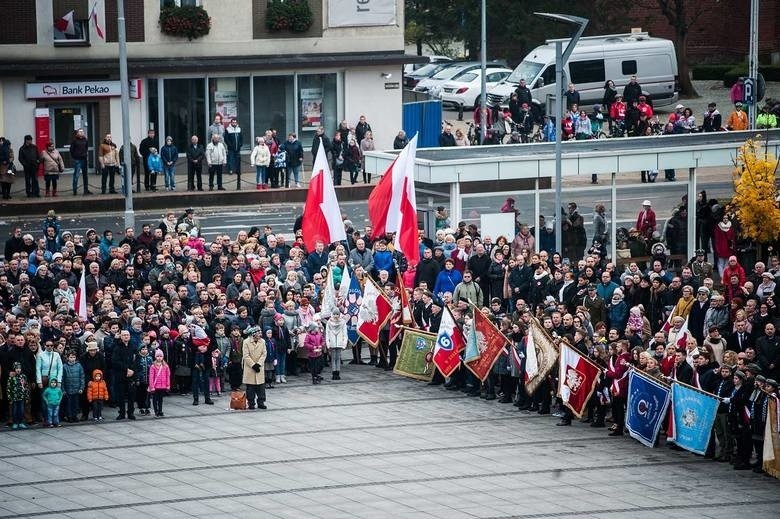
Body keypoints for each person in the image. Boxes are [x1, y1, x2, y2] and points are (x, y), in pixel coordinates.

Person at [242, 326, 268, 409]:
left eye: (260, 332)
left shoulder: (262, 341)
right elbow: (246, 355)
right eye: (258, 332)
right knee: (250, 387)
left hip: (259, 366)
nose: (260, 334)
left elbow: (264, 354)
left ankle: (261, 402)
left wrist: (259, 364)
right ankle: (251, 403)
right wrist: (253, 365)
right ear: (253, 334)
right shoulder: (246, 342)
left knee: (261, 387)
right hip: (250, 367)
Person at [61, 350, 85, 423]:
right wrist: (63, 390)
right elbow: (62, 379)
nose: (72, 359)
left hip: (76, 388)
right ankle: (69, 416)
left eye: (74, 357)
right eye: (71, 357)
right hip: (68, 389)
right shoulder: (64, 366)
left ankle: (75, 416)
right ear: (67, 358)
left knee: (76, 404)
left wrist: (81, 387)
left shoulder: (79, 365)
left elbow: (82, 377)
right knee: (69, 404)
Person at [8, 362, 30, 429]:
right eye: (17, 368)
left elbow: (26, 387)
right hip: (14, 398)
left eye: (19, 368)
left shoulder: (23, 376)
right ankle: (15, 422)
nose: (18, 370)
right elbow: (9, 388)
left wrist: (26, 397)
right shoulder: (11, 378)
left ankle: (21, 422)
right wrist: (10, 398)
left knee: (21, 410)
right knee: (14, 411)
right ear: (14, 369)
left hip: (22, 397)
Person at [69, 128, 91, 195]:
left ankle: (86, 190)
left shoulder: (85, 140)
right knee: (76, 175)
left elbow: (86, 148)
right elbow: (71, 150)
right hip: (77, 160)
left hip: (84, 159)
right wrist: (75, 157)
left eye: (82, 132)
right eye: (80, 132)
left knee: (85, 175)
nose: (81, 133)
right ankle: (74, 190)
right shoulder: (74, 141)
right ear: (77, 133)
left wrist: (85, 155)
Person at [224, 117, 243, 183]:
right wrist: (230, 145)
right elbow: (226, 139)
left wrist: (240, 145)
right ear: (231, 123)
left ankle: (238, 170)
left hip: (238, 148)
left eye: (235, 122)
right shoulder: (228, 129)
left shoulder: (239, 129)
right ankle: (231, 170)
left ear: (236, 123)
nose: (234, 123)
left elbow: (241, 138)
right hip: (231, 148)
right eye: (233, 122)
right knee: (231, 159)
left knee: (238, 159)